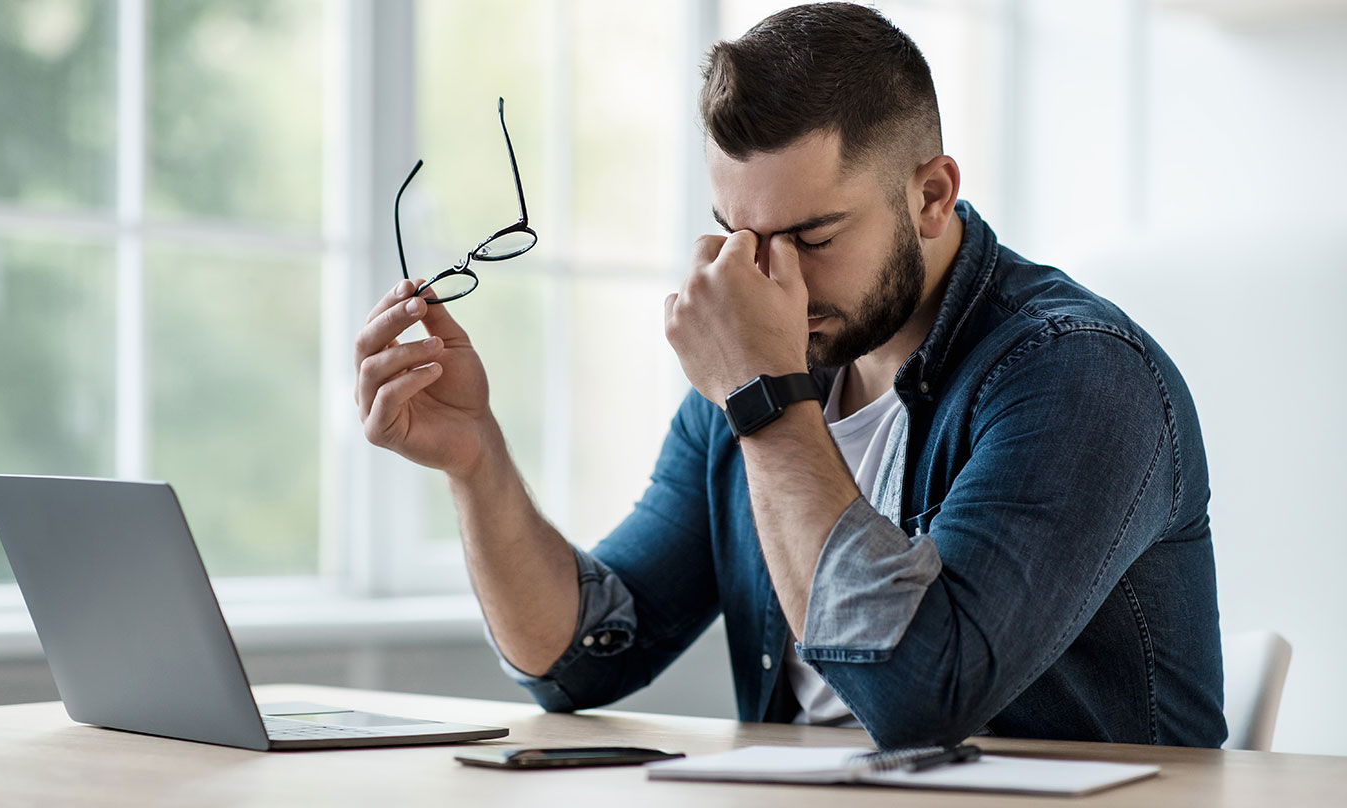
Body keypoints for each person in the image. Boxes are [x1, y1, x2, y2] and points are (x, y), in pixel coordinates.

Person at [353, 2, 1226, 749]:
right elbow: (580, 655)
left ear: (931, 195)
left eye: (812, 239)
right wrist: (475, 459)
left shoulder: (1077, 373)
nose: (770, 282)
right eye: (738, 236)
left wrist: (766, 400)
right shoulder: (766, 360)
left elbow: (922, 699)